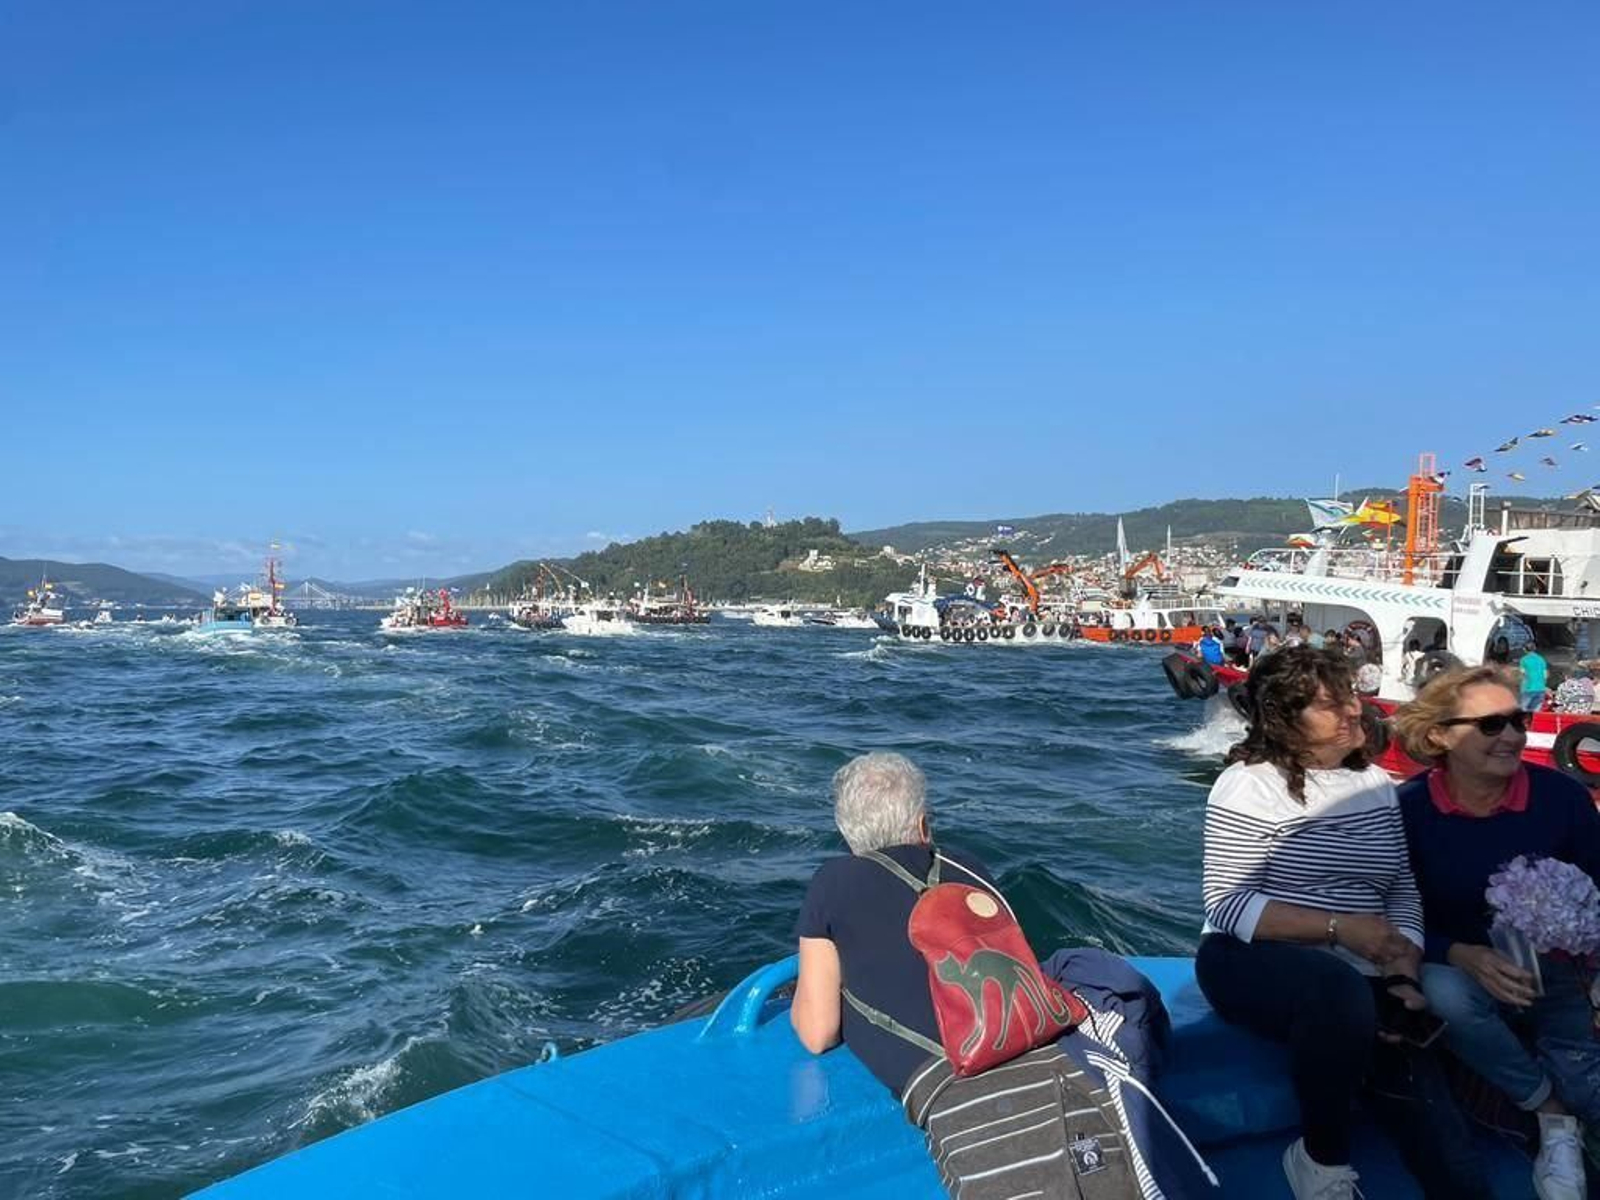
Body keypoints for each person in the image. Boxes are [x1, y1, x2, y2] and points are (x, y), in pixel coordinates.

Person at [792, 753, 1212, 1198]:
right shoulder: (968, 865)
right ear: (922, 826)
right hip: (1062, 1065)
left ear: (848, 833)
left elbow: (818, 1031)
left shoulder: (833, 882)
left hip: (966, 1104)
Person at [1196, 646, 1488, 1200]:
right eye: (1333, 705)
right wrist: (1340, 929)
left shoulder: (1374, 784)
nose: (1355, 710)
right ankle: (1318, 1161)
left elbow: (1399, 884)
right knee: (1337, 989)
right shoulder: (1247, 785)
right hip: (1250, 956)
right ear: (1288, 720)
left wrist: (1406, 961)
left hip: (1364, 966)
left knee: (1449, 1152)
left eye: (1352, 696)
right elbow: (1228, 906)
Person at [1394, 667, 1600, 1200]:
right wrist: (1459, 953)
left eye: (1517, 720)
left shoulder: (1563, 799)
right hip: (1470, 976)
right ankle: (1551, 1117)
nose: (1511, 736)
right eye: (1490, 725)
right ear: (1440, 735)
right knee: (1443, 993)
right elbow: (1395, 912)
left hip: (1567, 977)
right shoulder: (1409, 811)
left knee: (1589, 1090)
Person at [1519, 644, 1550, 712]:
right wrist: (1544, 685)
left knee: (1524, 711)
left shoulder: (1523, 660)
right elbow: (1545, 675)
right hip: (1540, 689)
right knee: (1535, 713)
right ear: (1534, 649)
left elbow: (1523, 674)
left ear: (1524, 649)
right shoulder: (1541, 659)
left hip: (1528, 688)